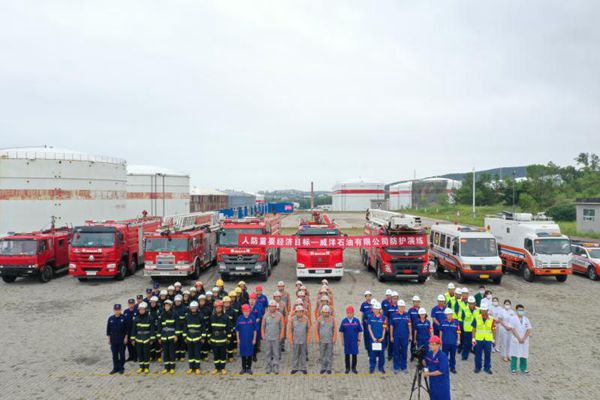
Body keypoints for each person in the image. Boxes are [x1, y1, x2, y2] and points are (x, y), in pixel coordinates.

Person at [423, 335, 451, 400]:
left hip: (442, 384)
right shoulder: (429, 354)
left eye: (433, 344)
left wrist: (428, 374)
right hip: (433, 383)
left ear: (438, 345)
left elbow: (441, 371)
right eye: (430, 344)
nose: (430, 346)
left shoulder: (443, 356)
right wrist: (425, 369)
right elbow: (425, 363)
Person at [131, 302, 155, 374]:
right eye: (140, 309)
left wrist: (152, 339)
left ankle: (146, 367)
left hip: (147, 339)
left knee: (146, 354)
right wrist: (132, 339)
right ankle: (141, 367)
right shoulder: (136, 318)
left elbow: (152, 329)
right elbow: (134, 329)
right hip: (138, 339)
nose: (141, 311)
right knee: (140, 354)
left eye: (143, 309)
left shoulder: (150, 318)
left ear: (146, 310)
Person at [262, 300, 285, 374]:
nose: (272, 308)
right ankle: (268, 367)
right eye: (270, 306)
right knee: (268, 353)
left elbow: (282, 326)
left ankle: (275, 367)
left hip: (276, 338)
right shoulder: (265, 315)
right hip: (268, 338)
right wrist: (263, 335)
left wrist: (281, 335)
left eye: (273, 307)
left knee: (276, 353)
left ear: (276, 307)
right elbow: (263, 326)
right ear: (269, 307)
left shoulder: (280, 315)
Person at [472, 304, 495, 374]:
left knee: (487, 354)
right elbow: (474, 329)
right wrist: (473, 338)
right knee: (478, 354)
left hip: (488, 339)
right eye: (482, 310)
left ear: (487, 310)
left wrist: (494, 339)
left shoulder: (491, 319)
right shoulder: (477, 317)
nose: (483, 311)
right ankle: (477, 367)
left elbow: (493, 329)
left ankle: (487, 368)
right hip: (478, 339)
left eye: (484, 310)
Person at [389, 299, 411, 374]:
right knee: (396, 351)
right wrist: (391, 336)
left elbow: (409, 325)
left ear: (404, 307)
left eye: (403, 306)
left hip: (405, 336)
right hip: (396, 336)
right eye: (400, 306)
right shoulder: (393, 315)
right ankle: (396, 367)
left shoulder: (407, 315)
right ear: (398, 307)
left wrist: (410, 335)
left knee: (404, 351)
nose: (401, 308)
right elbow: (391, 326)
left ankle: (404, 367)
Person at [183, 301, 205, 375]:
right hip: (189, 338)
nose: (193, 309)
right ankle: (191, 367)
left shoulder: (200, 316)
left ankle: (197, 368)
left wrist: (203, 337)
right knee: (190, 354)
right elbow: (185, 327)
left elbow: (203, 327)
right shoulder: (187, 316)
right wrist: (185, 337)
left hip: (197, 338)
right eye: (192, 308)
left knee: (197, 354)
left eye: (194, 308)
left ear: (197, 308)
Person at [210, 300, 231, 375]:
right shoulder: (212, 317)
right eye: (217, 308)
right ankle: (216, 368)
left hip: (223, 340)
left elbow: (229, 328)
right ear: (215, 308)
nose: (218, 309)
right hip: (214, 340)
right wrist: (209, 337)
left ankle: (222, 368)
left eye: (220, 307)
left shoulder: (226, 317)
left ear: (222, 308)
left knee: (222, 355)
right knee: (216, 355)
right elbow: (210, 328)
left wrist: (228, 338)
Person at [509, 304, 532, 374]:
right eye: (519, 310)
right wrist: (519, 338)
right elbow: (512, 329)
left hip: (524, 340)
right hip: (516, 339)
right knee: (514, 354)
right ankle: (513, 368)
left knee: (524, 354)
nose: (521, 311)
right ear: (516, 310)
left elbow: (529, 329)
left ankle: (523, 368)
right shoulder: (513, 319)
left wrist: (524, 338)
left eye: (522, 310)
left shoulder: (526, 319)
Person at [339, 305, 362, 374]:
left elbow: (360, 331)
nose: (349, 314)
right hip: (347, 341)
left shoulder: (356, 321)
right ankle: (347, 368)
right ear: (346, 313)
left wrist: (359, 340)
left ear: (353, 313)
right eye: (348, 313)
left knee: (354, 355)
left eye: (351, 313)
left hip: (354, 341)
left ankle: (354, 368)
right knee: (347, 355)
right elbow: (341, 332)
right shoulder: (344, 321)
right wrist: (342, 340)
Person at [236, 304, 258, 374]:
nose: (246, 312)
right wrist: (238, 339)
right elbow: (237, 330)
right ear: (242, 311)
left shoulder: (252, 318)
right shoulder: (239, 318)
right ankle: (243, 368)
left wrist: (254, 339)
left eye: (248, 311)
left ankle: (249, 368)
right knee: (243, 354)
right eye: (245, 311)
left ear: (249, 311)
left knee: (249, 354)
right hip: (242, 340)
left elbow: (255, 330)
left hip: (250, 340)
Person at [106, 304, 128, 374]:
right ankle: (115, 368)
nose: (117, 311)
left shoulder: (124, 318)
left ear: (121, 310)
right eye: (116, 310)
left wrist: (126, 338)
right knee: (114, 355)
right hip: (113, 340)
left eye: (118, 310)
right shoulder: (110, 318)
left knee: (122, 354)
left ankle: (121, 368)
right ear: (114, 310)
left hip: (122, 339)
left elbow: (127, 330)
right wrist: (109, 339)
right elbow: (108, 330)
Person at [157, 299, 178, 374]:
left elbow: (177, 325)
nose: (166, 307)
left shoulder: (174, 314)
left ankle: (172, 367)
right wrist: (159, 337)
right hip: (164, 337)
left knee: (171, 353)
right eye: (165, 306)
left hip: (172, 337)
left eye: (168, 306)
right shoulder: (161, 315)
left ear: (171, 306)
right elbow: (159, 327)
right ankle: (166, 367)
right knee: (165, 353)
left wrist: (176, 335)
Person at [289, 305, 310, 374]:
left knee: (303, 354)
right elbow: (290, 330)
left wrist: (308, 339)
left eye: (300, 311)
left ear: (303, 312)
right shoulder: (292, 319)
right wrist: (291, 340)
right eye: (297, 312)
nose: (299, 313)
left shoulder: (306, 319)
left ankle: (304, 368)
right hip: (295, 340)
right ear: (295, 312)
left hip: (303, 340)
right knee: (295, 354)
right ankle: (295, 368)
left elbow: (309, 329)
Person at [316, 305, 336, 374]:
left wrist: (334, 338)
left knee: (329, 354)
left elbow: (335, 329)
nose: (326, 313)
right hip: (321, 340)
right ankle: (323, 367)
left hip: (330, 340)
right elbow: (316, 329)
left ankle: (329, 368)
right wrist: (317, 338)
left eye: (327, 312)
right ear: (322, 312)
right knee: (322, 354)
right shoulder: (319, 319)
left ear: (329, 312)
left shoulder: (332, 319)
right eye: (324, 312)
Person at [367, 302, 387, 374]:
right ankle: (372, 367)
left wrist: (383, 337)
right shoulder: (370, 317)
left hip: (381, 339)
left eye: (377, 309)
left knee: (381, 354)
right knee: (372, 354)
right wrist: (373, 338)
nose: (375, 310)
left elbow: (384, 328)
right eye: (374, 309)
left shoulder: (384, 318)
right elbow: (369, 328)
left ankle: (381, 367)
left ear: (379, 309)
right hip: (373, 339)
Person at [439, 308, 460, 374]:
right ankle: (444, 368)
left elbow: (458, 332)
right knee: (444, 356)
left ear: (452, 314)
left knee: (453, 356)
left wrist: (458, 340)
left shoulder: (456, 322)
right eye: (447, 315)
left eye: (449, 314)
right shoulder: (443, 322)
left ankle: (452, 368)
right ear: (445, 315)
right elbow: (441, 331)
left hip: (453, 343)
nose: (448, 316)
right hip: (445, 342)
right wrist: (440, 340)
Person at [459, 296, 479, 360]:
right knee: (466, 344)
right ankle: (464, 356)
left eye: (473, 303)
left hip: (475, 330)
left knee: (475, 343)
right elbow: (462, 319)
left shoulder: (478, 310)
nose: (471, 305)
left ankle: (477, 354)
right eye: (470, 303)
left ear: (475, 303)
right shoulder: (464, 310)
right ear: (468, 303)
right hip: (467, 330)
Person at [173, 294, 187, 361]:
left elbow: (186, 320)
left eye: (178, 301)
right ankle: (176, 355)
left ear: (181, 301)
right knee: (176, 343)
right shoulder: (173, 309)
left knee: (182, 343)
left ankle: (182, 356)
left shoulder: (184, 309)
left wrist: (185, 330)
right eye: (176, 301)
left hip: (182, 329)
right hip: (175, 329)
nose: (177, 302)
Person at [360, 291, 374, 357]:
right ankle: (367, 347)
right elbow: (362, 313)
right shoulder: (363, 304)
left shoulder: (373, 303)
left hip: (372, 322)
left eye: (369, 296)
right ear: (365, 297)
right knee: (366, 335)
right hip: (365, 322)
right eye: (367, 296)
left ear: (371, 296)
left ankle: (372, 348)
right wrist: (361, 321)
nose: (368, 297)